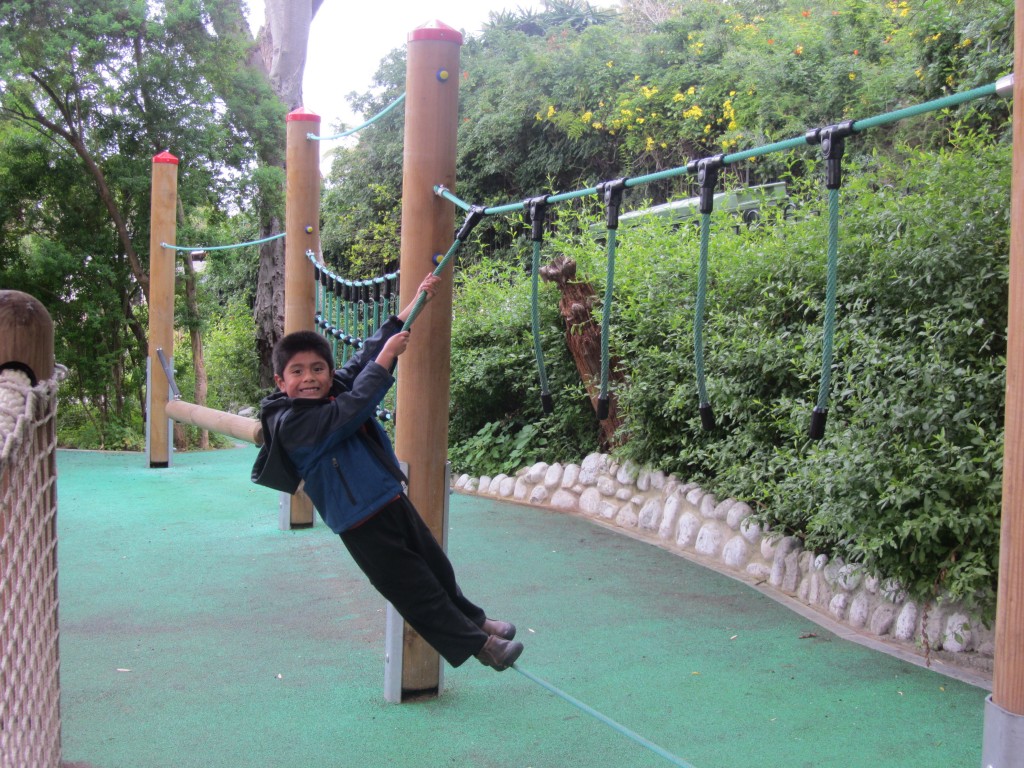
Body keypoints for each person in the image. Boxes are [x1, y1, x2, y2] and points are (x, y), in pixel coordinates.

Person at [251, 273, 523, 672]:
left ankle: (475, 619)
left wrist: (411, 309)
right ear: (280, 380)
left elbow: (362, 359)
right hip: (358, 519)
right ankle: (482, 647)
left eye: (317, 369)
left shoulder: (331, 388)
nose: (309, 378)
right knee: (413, 586)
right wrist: (386, 360)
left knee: (435, 565)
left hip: (387, 496)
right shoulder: (292, 423)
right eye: (297, 372)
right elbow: (354, 407)